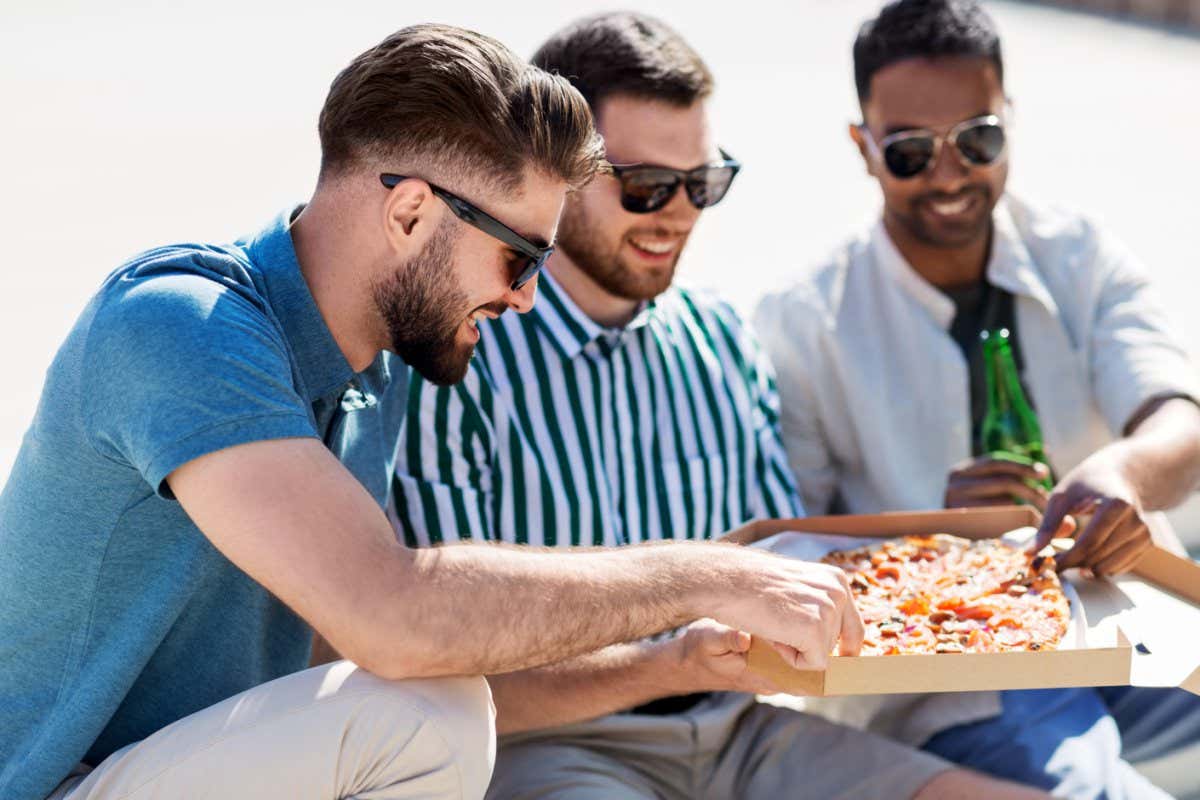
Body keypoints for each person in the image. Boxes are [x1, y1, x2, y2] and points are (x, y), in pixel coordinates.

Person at [0, 23, 876, 800]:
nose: (530, 298)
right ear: (412, 212)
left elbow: (346, 652)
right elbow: (394, 618)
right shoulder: (179, 325)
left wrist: (671, 659)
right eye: (521, 257)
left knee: (430, 696)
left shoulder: (376, 374)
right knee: (428, 713)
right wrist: (707, 574)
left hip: (190, 769)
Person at [393, 13, 1053, 800]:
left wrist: (966, 557)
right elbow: (443, 677)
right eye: (645, 187)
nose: (678, 214)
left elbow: (787, 560)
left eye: (703, 184)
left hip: (746, 733)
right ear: (550, 173)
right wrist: (663, 663)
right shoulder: (457, 356)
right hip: (553, 749)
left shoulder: (718, 339)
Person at [755, 0, 1200, 796]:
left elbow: (1179, 418)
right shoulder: (804, 320)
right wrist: (935, 536)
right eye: (911, 153)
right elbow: (786, 546)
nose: (950, 174)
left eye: (978, 140)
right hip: (956, 687)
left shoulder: (1080, 254)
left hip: (1137, 634)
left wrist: (1122, 477)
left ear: (1010, 121)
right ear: (862, 148)